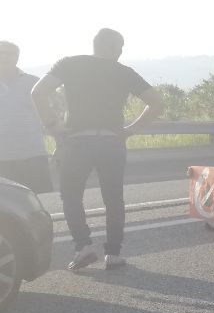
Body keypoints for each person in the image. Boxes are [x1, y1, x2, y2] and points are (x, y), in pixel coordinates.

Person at [30, 28, 165, 271]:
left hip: (76, 141)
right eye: (120, 48)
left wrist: (53, 126)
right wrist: (131, 129)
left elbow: (38, 92)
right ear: (114, 47)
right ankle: (113, 253)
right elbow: (156, 102)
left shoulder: (69, 64)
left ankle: (83, 247)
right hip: (111, 142)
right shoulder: (124, 72)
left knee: (71, 196)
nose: (121, 53)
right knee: (113, 199)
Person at [0, 41, 52, 194]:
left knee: (42, 199)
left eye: (10, 53)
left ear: (17, 57)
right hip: (2, 158)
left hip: (33, 155)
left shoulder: (34, 82)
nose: (5, 57)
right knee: (6, 203)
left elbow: (48, 114)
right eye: (1, 53)